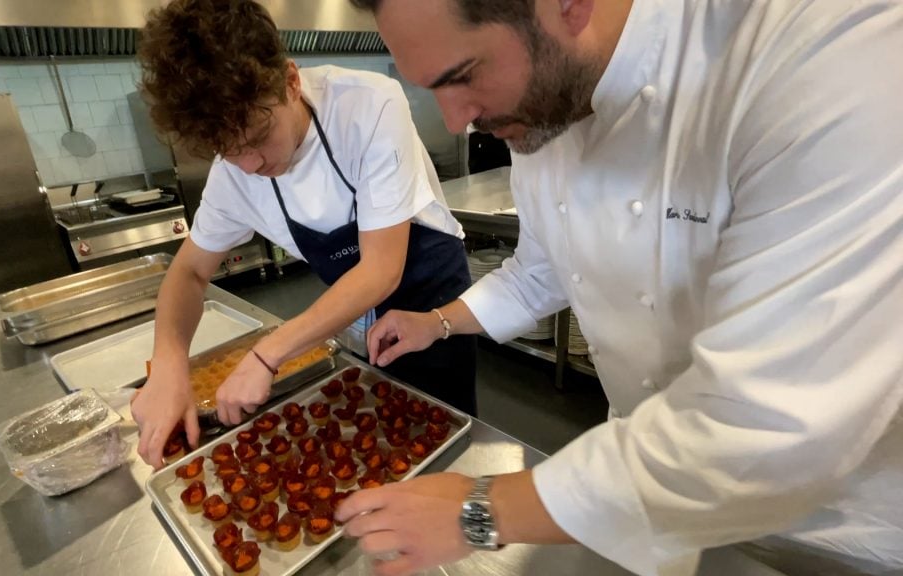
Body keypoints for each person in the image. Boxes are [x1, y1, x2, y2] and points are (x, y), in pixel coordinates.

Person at [337, 0, 903, 575]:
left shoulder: (821, 46)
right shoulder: (543, 106)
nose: (455, 120)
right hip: (640, 479)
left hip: (832, 532)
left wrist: (480, 511)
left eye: (463, 75)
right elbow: (545, 269)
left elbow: (770, 427)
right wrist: (437, 322)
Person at [130, 0, 477, 469]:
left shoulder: (369, 105)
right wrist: (169, 366)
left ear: (291, 82)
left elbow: (380, 269)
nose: (249, 165)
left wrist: (266, 355)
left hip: (426, 291)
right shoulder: (233, 172)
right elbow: (189, 272)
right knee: (373, 438)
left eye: (257, 137)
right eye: (227, 151)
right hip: (350, 307)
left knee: (440, 439)